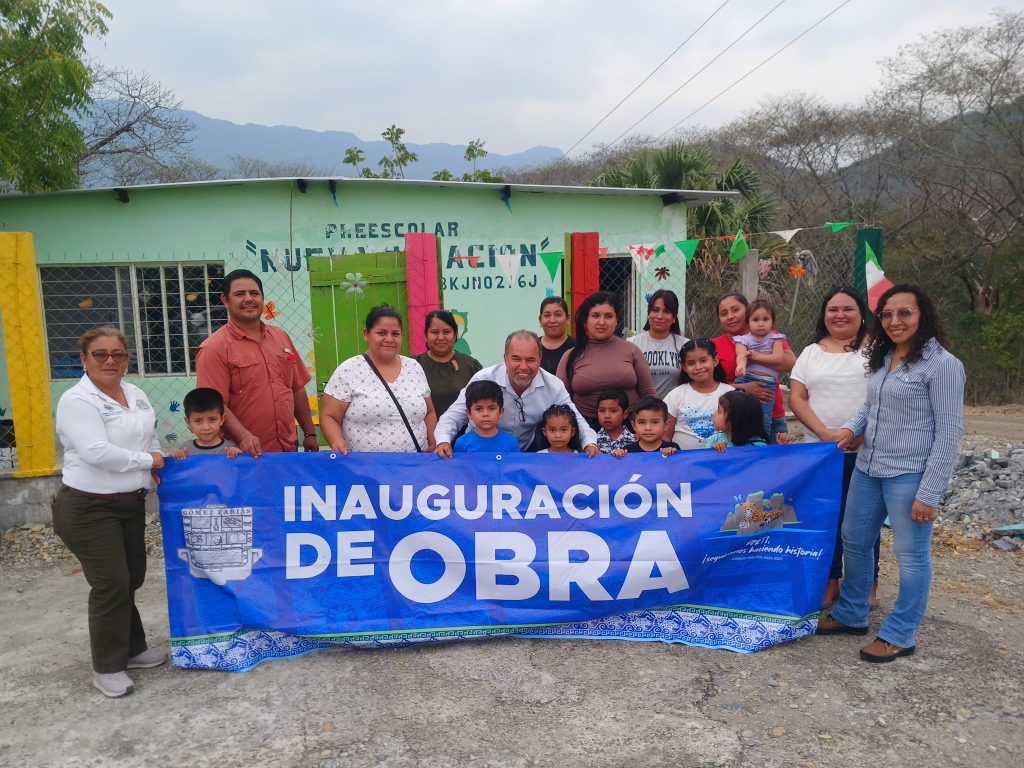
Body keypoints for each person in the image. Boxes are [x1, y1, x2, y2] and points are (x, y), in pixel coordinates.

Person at [819, 284, 965, 664]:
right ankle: (852, 613)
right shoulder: (884, 358)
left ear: (923, 316)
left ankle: (901, 632)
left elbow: (949, 434)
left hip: (910, 474)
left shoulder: (943, 365)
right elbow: (869, 407)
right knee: (854, 540)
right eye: (887, 315)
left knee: (911, 555)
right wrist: (850, 429)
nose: (895, 321)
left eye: (904, 313)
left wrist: (929, 493)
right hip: (868, 468)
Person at [51, 327, 167, 698]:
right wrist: (147, 460)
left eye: (118, 354)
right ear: (84, 360)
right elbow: (96, 452)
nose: (110, 361)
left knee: (130, 577)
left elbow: (151, 437)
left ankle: (133, 649)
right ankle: (107, 666)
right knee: (111, 583)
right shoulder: (77, 400)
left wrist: (155, 466)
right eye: (100, 354)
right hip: (87, 506)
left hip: (129, 504)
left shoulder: (135, 393)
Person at [789, 287, 880, 608]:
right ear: (823, 314)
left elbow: (885, 394)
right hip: (820, 452)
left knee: (863, 522)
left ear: (861, 313)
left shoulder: (878, 349)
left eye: (848, 309)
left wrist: (859, 430)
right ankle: (829, 581)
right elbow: (796, 397)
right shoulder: (810, 352)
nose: (839, 315)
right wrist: (824, 432)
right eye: (833, 309)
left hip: (866, 451)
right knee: (826, 519)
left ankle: (866, 583)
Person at [196, 269, 318, 456]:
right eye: (239, 294)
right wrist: (244, 436)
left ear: (262, 298)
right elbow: (214, 405)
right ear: (225, 300)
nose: (248, 299)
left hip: (287, 451)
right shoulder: (214, 348)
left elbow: (296, 388)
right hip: (241, 455)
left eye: (254, 293)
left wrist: (309, 433)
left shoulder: (281, 337)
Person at [434, 331, 599, 457]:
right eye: (516, 359)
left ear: (540, 360)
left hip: (525, 454)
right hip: (479, 453)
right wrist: (443, 441)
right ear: (505, 358)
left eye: (531, 360)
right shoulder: (483, 379)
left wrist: (589, 444)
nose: (523, 366)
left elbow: (576, 419)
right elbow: (452, 416)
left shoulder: (553, 386)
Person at [321, 306, 437, 454]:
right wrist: (337, 442)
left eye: (395, 334)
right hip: (365, 470)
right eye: (381, 333)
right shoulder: (348, 370)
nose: (389, 339)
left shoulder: (414, 368)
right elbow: (329, 416)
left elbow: (429, 412)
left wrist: (434, 442)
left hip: (414, 468)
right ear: (366, 334)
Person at [556, 291, 657, 430]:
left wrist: (649, 427)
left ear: (616, 321)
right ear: (586, 321)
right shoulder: (570, 356)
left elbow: (648, 394)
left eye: (608, 316)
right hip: (585, 428)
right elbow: (560, 401)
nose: (601, 322)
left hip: (630, 427)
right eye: (595, 316)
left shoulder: (632, 350)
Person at [712, 293, 795, 443]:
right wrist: (743, 387)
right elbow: (710, 386)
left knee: (777, 463)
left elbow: (790, 363)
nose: (730, 316)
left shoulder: (771, 336)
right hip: (735, 420)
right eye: (724, 314)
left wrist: (754, 356)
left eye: (735, 310)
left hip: (773, 414)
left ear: (747, 311)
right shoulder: (714, 346)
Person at [664, 339, 734, 450]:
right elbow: (665, 436)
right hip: (683, 462)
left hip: (722, 460)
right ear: (684, 367)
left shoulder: (730, 393)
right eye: (691, 363)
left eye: (703, 360)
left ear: (715, 361)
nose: (698, 367)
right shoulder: (676, 395)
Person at [413, 309, 483, 417]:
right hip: (422, 432)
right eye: (435, 332)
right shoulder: (413, 365)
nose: (441, 337)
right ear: (426, 335)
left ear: (455, 335)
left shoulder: (471, 366)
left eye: (446, 332)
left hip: (464, 432)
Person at [733, 299, 787, 437]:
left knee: (764, 418)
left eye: (765, 319)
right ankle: (739, 442)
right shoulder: (743, 340)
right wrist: (741, 366)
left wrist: (756, 356)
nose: (761, 323)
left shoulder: (776, 339)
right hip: (745, 379)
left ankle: (760, 443)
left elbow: (778, 358)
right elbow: (741, 355)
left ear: (772, 321)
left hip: (767, 384)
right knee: (739, 414)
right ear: (748, 322)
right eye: (755, 319)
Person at [628, 290, 689, 398]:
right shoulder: (632, 343)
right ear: (648, 313)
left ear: (674, 317)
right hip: (640, 410)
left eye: (666, 311)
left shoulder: (685, 345)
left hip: (672, 410)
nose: (659, 316)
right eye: (655, 310)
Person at [169, 388, 242, 459]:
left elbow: (242, 467)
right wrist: (175, 457)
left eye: (212, 419)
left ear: (222, 420)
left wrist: (239, 456)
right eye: (198, 421)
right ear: (188, 423)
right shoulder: (185, 450)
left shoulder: (231, 448)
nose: (206, 427)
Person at [453, 381, 520, 454]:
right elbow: (459, 465)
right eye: (479, 409)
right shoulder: (462, 443)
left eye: (491, 408)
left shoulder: (511, 443)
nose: (485, 414)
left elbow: (515, 465)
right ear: (469, 413)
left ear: (500, 412)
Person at [612, 397, 679, 457]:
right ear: (634, 425)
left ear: (666, 425)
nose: (648, 428)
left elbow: (680, 466)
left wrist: (673, 455)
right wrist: (617, 457)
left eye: (655, 422)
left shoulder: (672, 448)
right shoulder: (628, 451)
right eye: (642, 422)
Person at [706, 390, 772, 452]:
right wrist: (713, 452)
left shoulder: (758, 447)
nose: (714, 415)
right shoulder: (715, 439)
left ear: (734, 418)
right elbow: (705, 460)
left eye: (719, 411)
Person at [538, 296, 575, 375]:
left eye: (558, 315)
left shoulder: (577, 348)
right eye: (547, 315)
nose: (552, 320)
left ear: (567, 319)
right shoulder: (533, 346)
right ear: (540, 320)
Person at [595, 388, 635, 454]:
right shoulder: (593, 441)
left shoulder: (635, 439)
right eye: (602, 411)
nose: (606, 416)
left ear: (625, 414)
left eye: (613, 411)